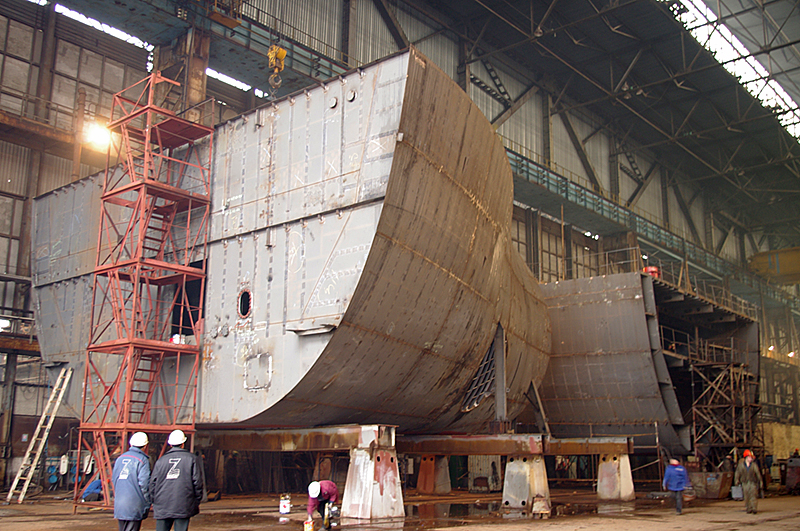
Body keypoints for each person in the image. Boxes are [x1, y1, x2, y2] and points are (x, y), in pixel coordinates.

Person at [150, 430, 204, 531]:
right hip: (183, 504)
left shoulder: (160, 461)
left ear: (170, 444)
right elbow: (197, 483)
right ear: (183, 444)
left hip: (163, 505)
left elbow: (153, 484)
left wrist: (155, 501)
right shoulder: (191, 459)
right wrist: (195, 501)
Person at [112, 432, 151, 531]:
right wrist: (147, 502)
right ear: (145, 446)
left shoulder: (120, 459)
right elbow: (144, 484)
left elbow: (114, 479)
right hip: (134, 504)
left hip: (120, 504)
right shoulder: (142, 460)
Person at [734, 449, 762, 514]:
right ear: (746, 457)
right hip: (745, 483)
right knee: (746, 496)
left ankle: (754, 508)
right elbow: (737, 473)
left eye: (751, 457)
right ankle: (749, 508)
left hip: (752, 483)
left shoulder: (754, 465)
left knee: (753, 495)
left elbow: (758, 474)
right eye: (750, 457)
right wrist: (736, 481)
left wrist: (760, 482)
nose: (751, 459)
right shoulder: (741, 466)